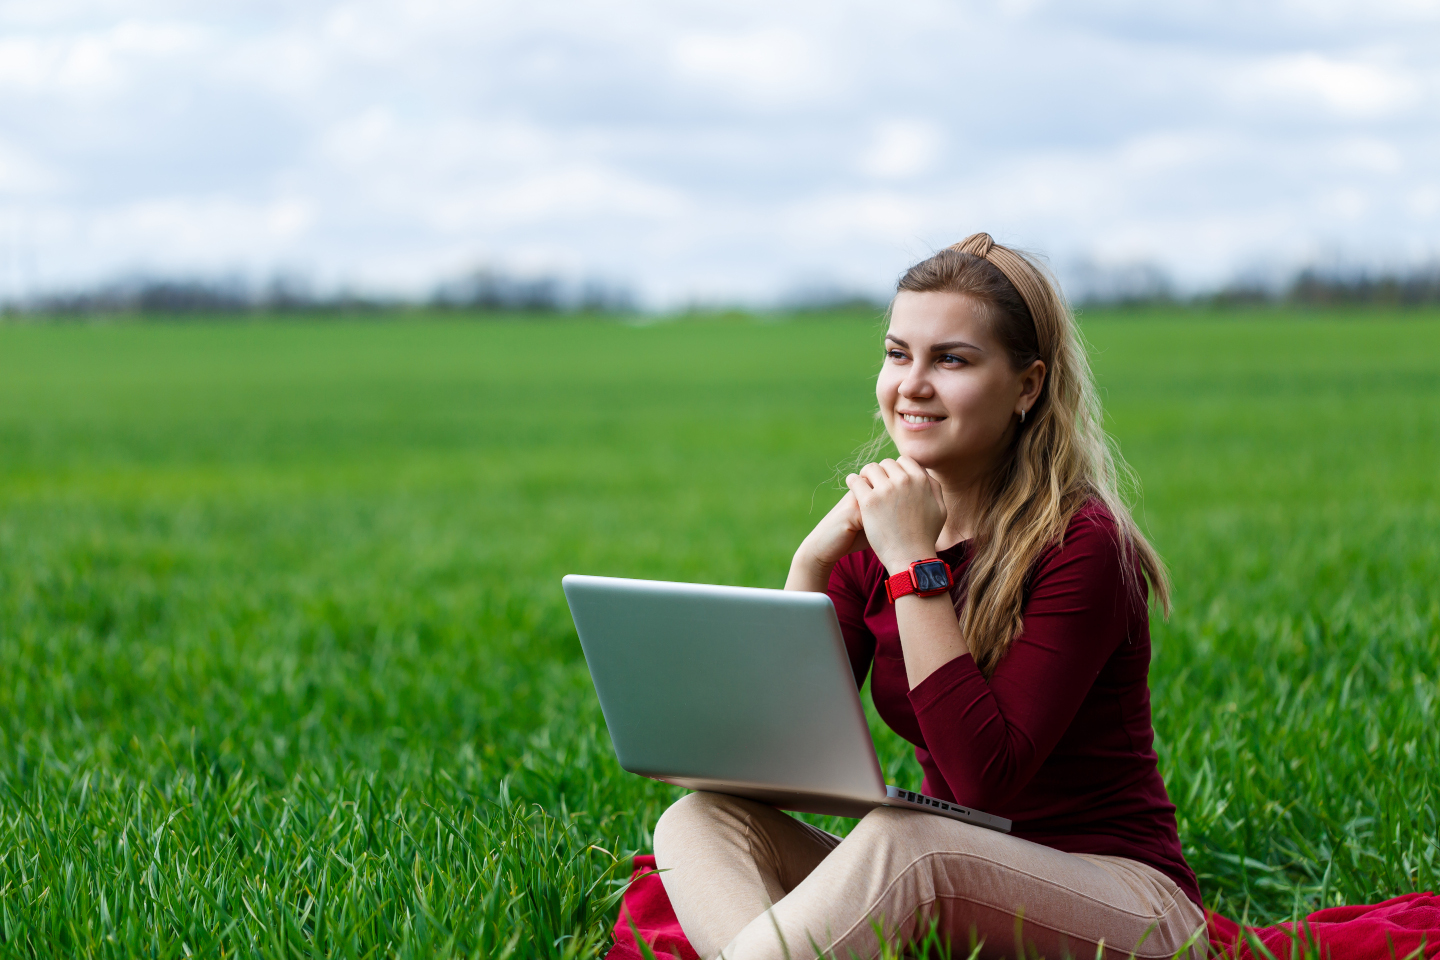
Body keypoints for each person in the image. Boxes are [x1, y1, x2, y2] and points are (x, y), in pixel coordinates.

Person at [650, 233, 1207, 960]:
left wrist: (913, 560)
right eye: (896, 353)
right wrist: (811, 564)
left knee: (912, 842)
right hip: (953, 878)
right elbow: (773, 765)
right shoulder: (871, 537)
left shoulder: (1083, 544)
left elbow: (983, 783)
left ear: (1027, 386)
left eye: (951, 359)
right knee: (699, 820)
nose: (911, 384)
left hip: (1127, 908)